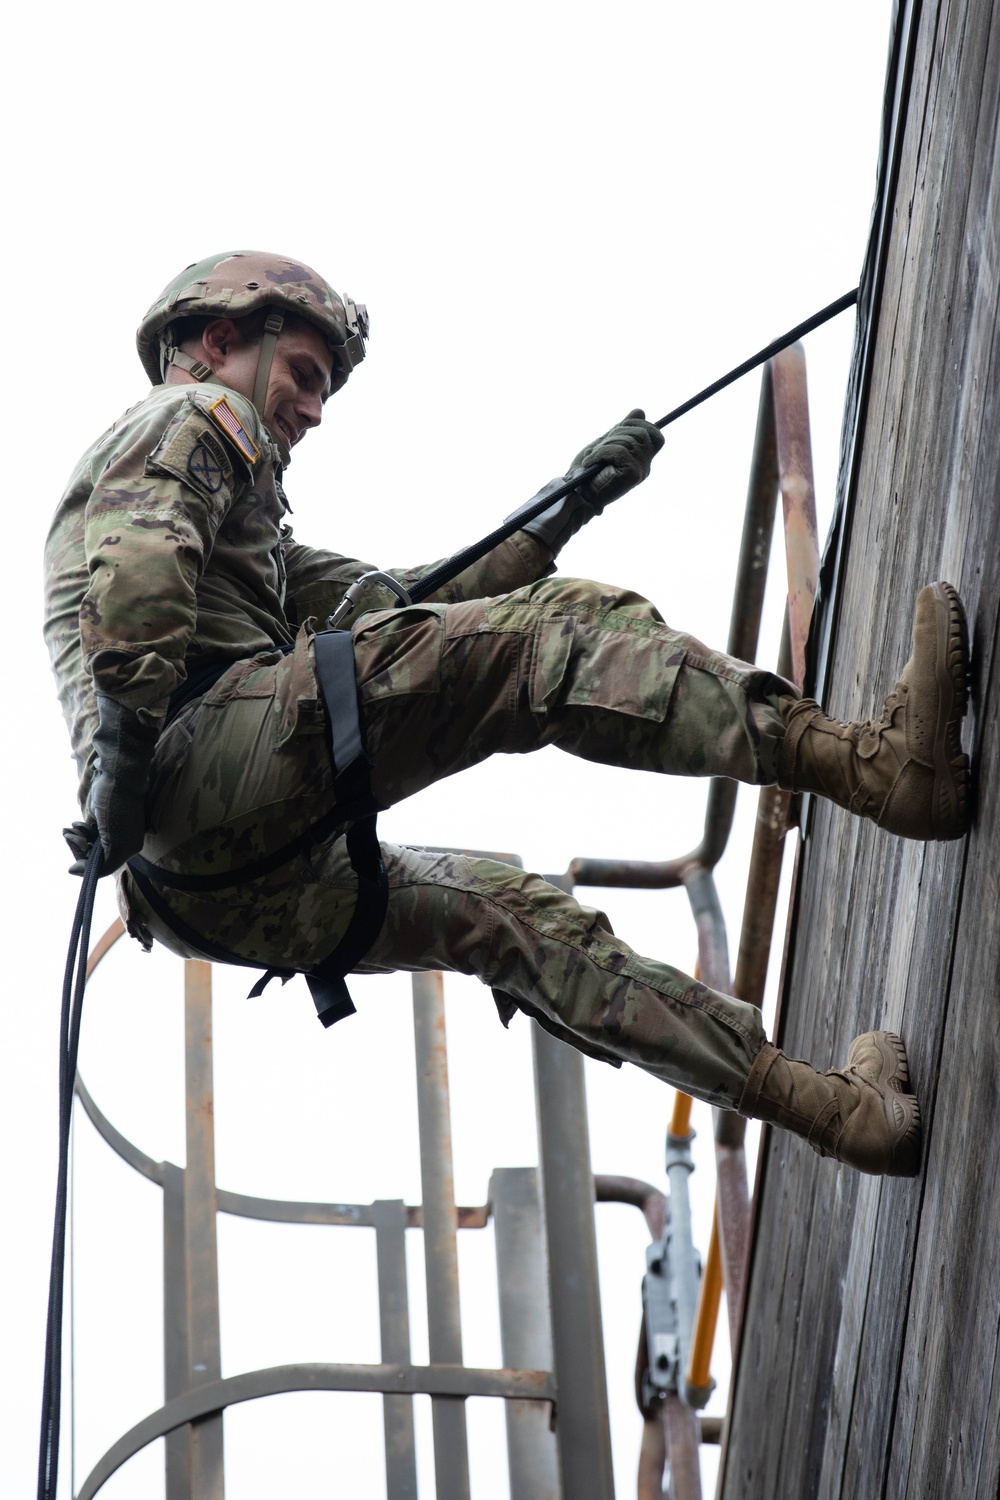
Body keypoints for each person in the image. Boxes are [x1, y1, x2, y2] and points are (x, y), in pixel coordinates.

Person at [45, 250, 971, 1179]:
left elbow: (407, 605)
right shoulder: (196, 414)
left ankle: (840, 1114)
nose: (315, 410)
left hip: (200, 891)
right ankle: (877, 765)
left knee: (506, 919)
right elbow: (136, 593)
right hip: (202, 756)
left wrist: (564, 504)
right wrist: (119, 777)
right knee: (557, 633)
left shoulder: (252, 538)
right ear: (221, 339)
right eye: (305, 376)